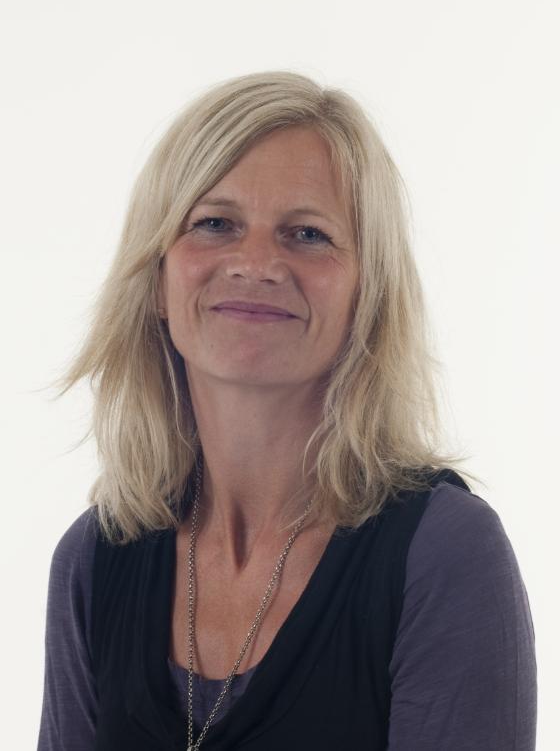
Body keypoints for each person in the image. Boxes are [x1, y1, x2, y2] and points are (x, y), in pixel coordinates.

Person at [37, 70, 537, 750]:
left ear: (367, 293)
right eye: (215, 223)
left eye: (306, 234)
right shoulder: (94, 560)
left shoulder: (444, 552)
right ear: (156, 279)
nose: (256, 263)